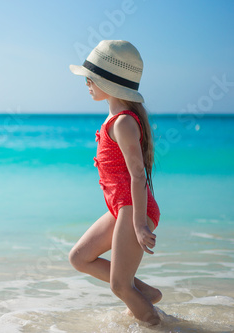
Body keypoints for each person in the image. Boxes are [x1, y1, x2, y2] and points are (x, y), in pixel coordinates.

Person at [68, 40, 162, 325]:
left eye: (91, 78)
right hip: (121, 206)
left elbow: (137, 175)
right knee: (79, 257)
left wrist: (139, 224)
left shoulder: (123, 122)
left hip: (133, 208)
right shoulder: (114, 117)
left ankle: (161, 326)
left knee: (119, 286)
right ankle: (145, 294)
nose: (86, 83)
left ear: (108, 82)